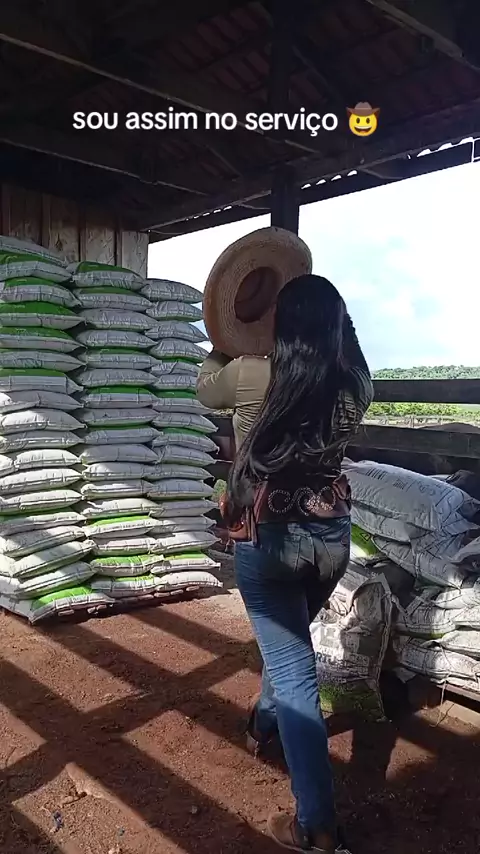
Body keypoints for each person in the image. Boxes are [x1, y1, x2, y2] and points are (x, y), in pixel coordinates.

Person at [197, 274, 373, 853]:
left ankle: (316, 828)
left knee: (294, 671)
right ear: (337, 326)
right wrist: (338, 319)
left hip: (268, 541)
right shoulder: (354, 384)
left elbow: (204, 388)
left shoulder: (250, 373)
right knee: (290, 647)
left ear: (279, 323)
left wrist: (225, 332)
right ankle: (263, 723)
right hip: (331, 540)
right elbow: (349, 344)